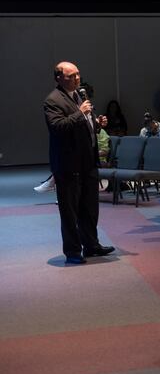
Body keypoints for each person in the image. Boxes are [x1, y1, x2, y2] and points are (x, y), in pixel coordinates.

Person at [43, 61, 115, 264]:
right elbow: (57, 127)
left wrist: (97, 124)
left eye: (78, 74)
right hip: (68, 165)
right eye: (71, 76)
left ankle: (91, 245)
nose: (76, 79)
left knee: (90, 208)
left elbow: (85, 127)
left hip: (88, 162)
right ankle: (73, 251)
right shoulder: (53, 100)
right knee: (70, 211)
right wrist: (81, 113)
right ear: (59, 78)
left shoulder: (80, 96)